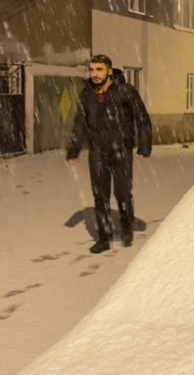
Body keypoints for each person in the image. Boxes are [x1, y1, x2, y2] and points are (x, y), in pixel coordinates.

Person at [66, 54, 152, 254]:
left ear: (109, 71)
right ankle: (104, 238)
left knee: (122, 193)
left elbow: (142, 118)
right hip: (98, 152)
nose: (94, 74)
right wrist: (74, 149)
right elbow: (80, 124)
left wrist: (144, 146)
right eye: (92, 70)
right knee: (100, 196)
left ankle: (127, 227)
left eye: (99, 70)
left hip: (121, 150)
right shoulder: (87, 95)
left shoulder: (125, 92)